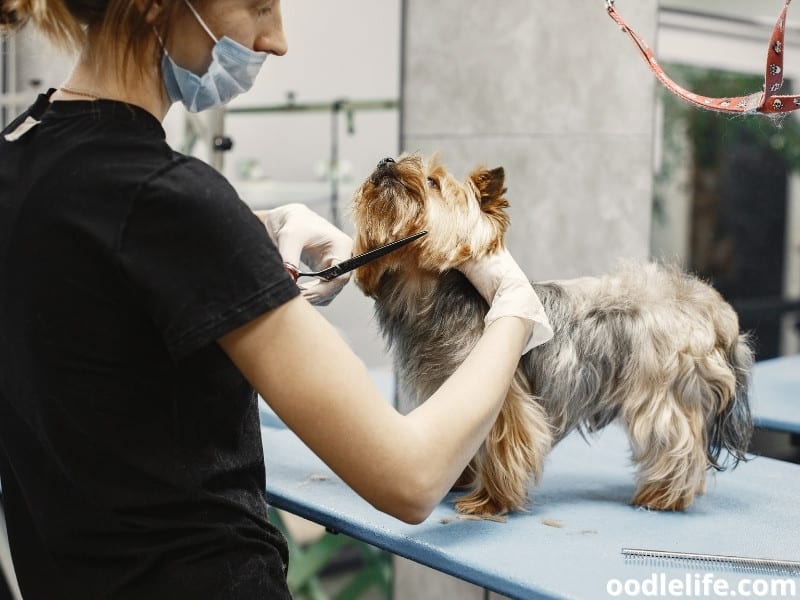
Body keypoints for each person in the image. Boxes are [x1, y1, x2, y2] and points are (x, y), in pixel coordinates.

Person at [0, 1, 553, 598]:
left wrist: (249, 230)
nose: (277, 39)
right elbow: (412, 478)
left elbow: (99, 257)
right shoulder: (173, 202)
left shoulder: (20, 152)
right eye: (258, 5)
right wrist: (515, 311)